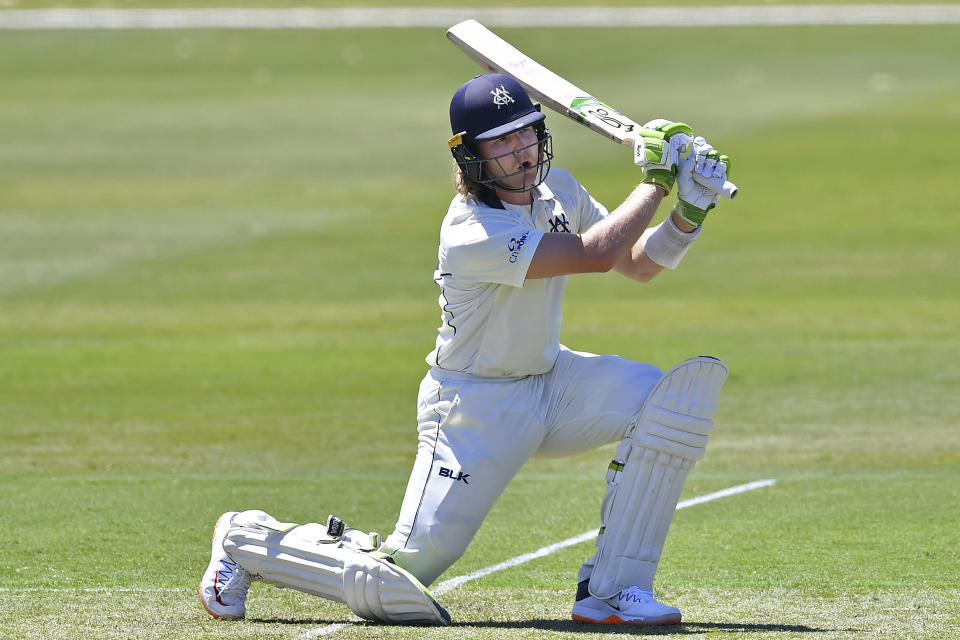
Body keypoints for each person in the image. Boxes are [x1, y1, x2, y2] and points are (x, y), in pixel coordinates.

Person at [200, 73, 733, 627]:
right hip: (473, 410)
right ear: (471, 156)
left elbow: (637, 264)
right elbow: (596, 254)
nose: (519, 151)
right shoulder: (471, 231)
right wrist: (656, 182)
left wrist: (687, 215)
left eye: (525, 133)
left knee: (665, 400)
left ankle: (613, 592)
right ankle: (246, 539)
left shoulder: (561, 192)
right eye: (500, 142)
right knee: (400, 579)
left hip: (551, 384)